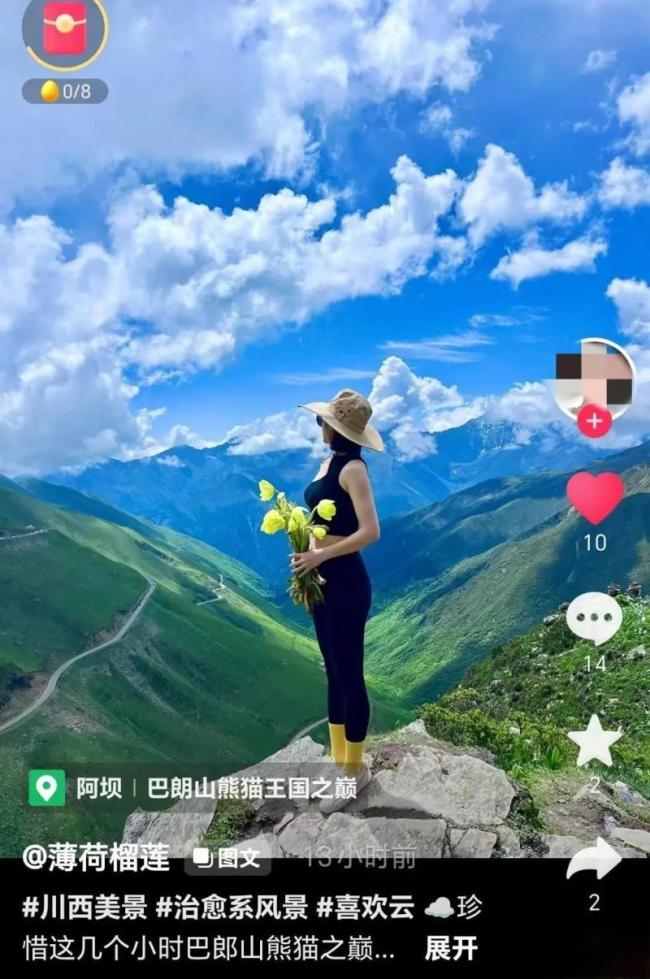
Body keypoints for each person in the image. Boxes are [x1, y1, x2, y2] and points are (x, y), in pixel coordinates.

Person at [292, 389, 384, 814]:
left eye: (323, 421)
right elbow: (323, 521)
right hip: (323, 580)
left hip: (346, 583)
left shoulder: (354, 469)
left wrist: (320, 556)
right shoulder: (329, 463)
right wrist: (307, 551)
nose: (320, 426)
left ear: (336, 428)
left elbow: (370, 532)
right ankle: (340, 763)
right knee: (333, 672)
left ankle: (355, 773)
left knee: (349, 676)